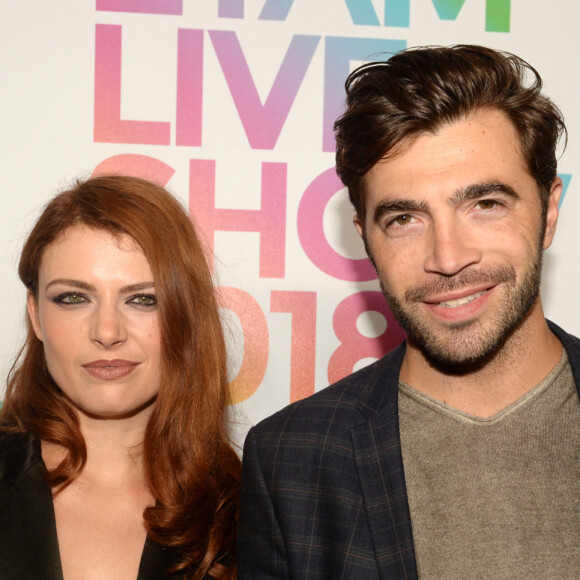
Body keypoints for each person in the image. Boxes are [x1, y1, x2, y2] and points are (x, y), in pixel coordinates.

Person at [238, 45, 580, 579]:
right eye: (404, 218)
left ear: (549, 211)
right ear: (365, 238)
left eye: (485, 204)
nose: (447, 258)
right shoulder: (291, 461)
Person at [0, 175, 240, 579]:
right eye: (73, 298)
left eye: (143, 299)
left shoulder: (248, 513)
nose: (107, 332)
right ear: (35, 314)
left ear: (185, 315)